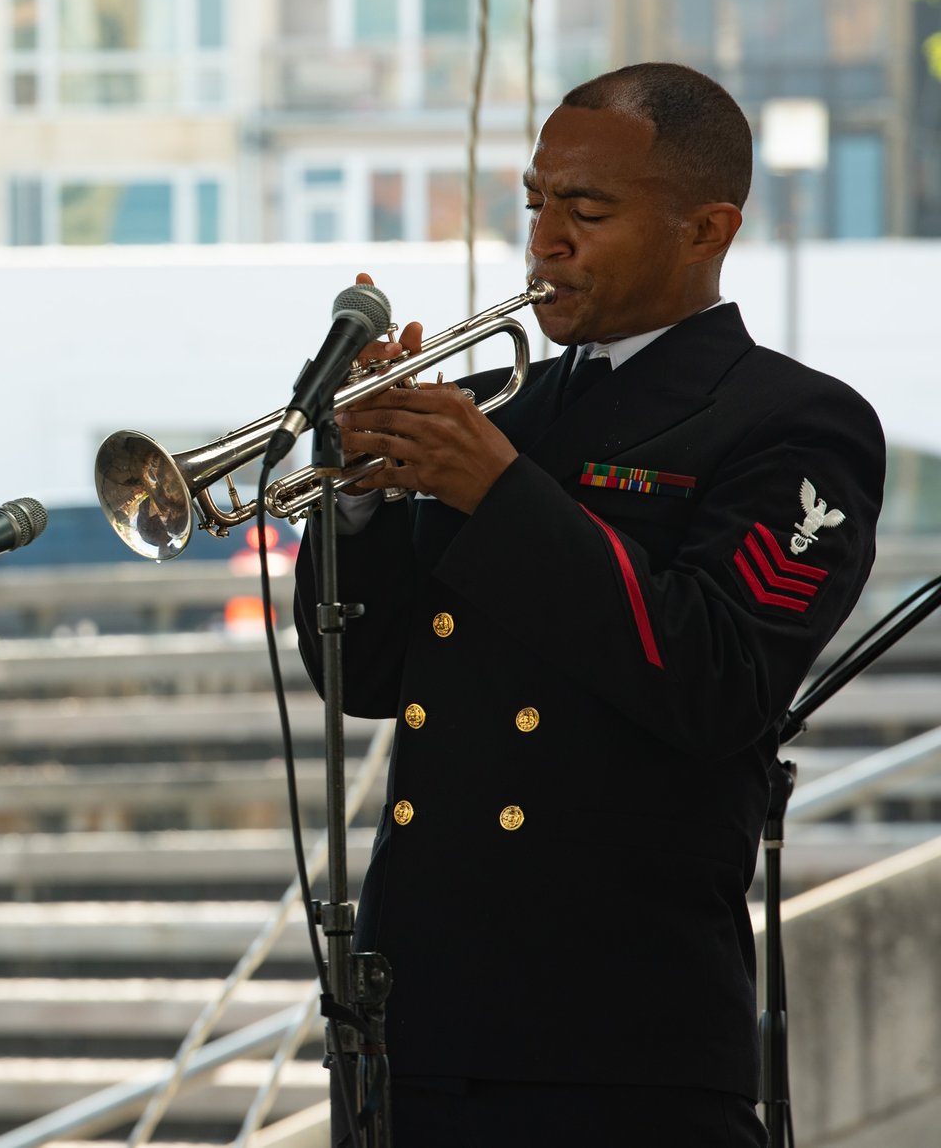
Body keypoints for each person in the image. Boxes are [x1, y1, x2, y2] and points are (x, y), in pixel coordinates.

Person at [293, 63, 884, 1146]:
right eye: (536, 202)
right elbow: (365, 677)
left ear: (707, 229)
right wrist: (360, 502)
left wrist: (498, 494)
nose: (546, 239)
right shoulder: (493, 410)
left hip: (619, 1041)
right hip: (414, 1023)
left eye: (589, 210)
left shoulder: (792, 422)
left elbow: (719, 679)